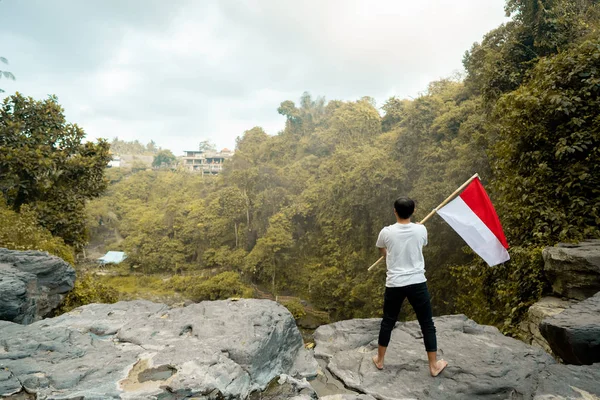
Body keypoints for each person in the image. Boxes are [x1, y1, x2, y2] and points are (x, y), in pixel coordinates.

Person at [372, 197, 448, 377]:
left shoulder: (386, 232)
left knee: (388, 321)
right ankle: (433, 366)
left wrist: (388, 253)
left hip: (395, 283)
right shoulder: (421, 229)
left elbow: (382, 250)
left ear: (394, 211)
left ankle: (380, 360)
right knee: (427, 323)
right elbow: (421, 244)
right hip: (417, 282)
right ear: (413, 211)